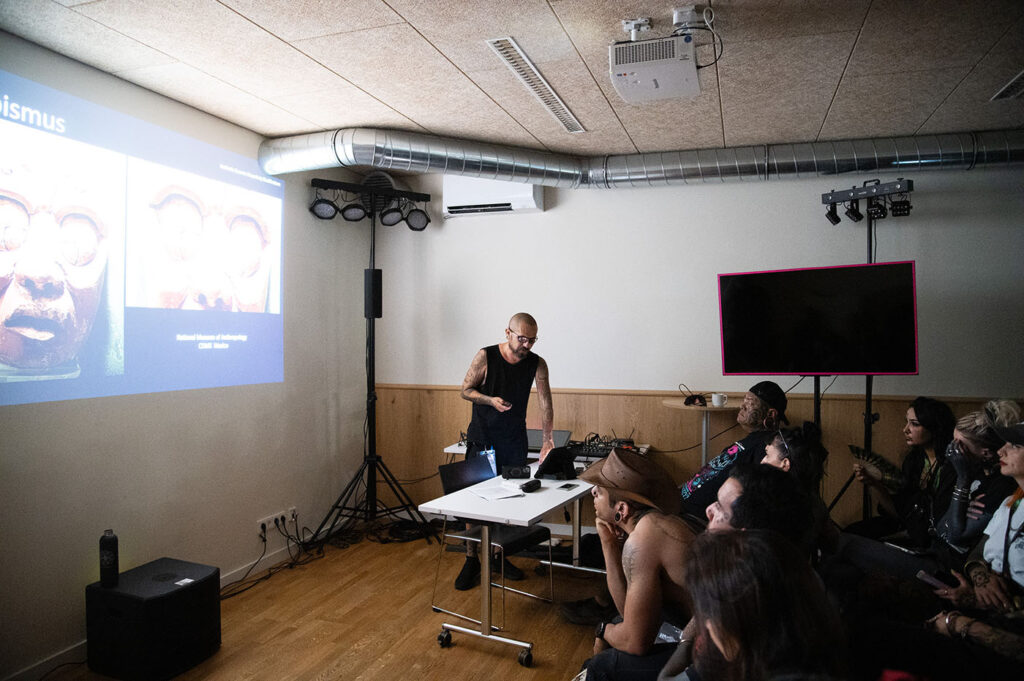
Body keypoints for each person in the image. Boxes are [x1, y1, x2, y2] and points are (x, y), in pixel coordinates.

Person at [848, 423, 1024, 681]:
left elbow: (952, 534)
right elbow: (975, 551)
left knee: (878, 635)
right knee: (865, 608)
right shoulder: (1013, 501)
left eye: (1015, 446)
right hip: (975, 598)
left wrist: (958, 623)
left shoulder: (999, 489)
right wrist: (980, 576)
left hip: (997, 623)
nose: (1002, 450)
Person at [661, 531, 847, 681]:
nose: (707, 625)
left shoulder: (722, 663)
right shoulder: (825, 639)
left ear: (731, 631)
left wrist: (686, 640)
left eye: (708, 614)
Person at [576, 448, 695, 681]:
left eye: (599, 491)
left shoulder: (643, 541)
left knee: (601, 665)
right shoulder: (653, 524)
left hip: (717, 651)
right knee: (617, 625)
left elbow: (636, 642)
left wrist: (602, 630)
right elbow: (627, 612)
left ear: (621, 509)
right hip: (697, 628)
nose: (592, 492)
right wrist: (608, 543)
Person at [454, 312, 554, 589]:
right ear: (507, 332)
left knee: (510, 498)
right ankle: (471, 558)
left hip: (514, 440)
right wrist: (490, 400)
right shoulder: (486, 356)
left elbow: (546, 402)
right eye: (522, 339)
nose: (526, 345)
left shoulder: (537, 363)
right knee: (475, 501)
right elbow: (465, 390)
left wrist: (547, 439)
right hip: (483, 437)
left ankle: (499, 555)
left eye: (532, 340)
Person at [848, 395, 956, 547]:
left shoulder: (952, 465)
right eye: (907, 422)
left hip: (934, 536)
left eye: (914, 424)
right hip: (909, 525)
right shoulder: (914, 461)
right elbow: (899, 512)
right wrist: (873, 483)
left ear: (934, 428)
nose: (905, 429)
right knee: (850, 534)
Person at [679, 381, 789, 520]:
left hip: (698, 519)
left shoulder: (768, 447)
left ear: (771, 414)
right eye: (744, 400)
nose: (742, 406)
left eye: (750, 402)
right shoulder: (752, 439)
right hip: (682, 505)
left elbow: (756, 498)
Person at [934, 400, 1020, 558]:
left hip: (959, 562)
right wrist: (963, 505)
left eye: (960, 446)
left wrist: (962, 480)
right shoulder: (974, 471)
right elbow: (940, 528)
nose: (953, 452)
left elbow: (954, 536)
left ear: (985, 453)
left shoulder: (1002, 484)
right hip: (940, 553)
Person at [760, 423, 840, 559]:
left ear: (785, 464)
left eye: (767, 455)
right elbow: (832, 544)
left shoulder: (766, 502)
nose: (762, 461)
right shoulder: (814, 501)